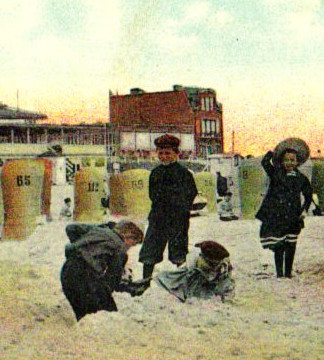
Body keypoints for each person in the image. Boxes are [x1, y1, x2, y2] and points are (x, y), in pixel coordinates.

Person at [138, 134, 199, 281]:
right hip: (158, 218)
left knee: (179, 250)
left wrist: (179, 209)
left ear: (176, 153)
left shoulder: (184, 174)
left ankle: (182, 282)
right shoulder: (155, 173)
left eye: (167, 153)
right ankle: (145, 281)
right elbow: (152, 195)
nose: (164, 156)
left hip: (178, 219)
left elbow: (191, 194)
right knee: (150, 250)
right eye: (160, 153)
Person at [60, 220, 147, 321]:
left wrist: (83, 245)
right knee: (107, 316)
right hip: (84, 277)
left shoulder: (100, 230)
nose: (130, 248)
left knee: (84, 315)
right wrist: (127, 287)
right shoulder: (120, 248)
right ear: (129, 236)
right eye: (133, 244)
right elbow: (111, 281)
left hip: (66, 271)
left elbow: (71, 228)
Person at [256, 140, 313, 278]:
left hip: (293, 216)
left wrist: (304, 210)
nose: (289, 163)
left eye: (292, 160)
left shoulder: (301, 178)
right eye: (286, 160)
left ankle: (288, 273)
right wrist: (273, 153)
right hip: (277, 216)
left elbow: (308, 195)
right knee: (279, 245)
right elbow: (265, 163)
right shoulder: (276, 174)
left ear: (297, 162)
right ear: (281, 162)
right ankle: (279, 274)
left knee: (291, 245)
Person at [155, 240, 235, 302]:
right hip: (196, 278)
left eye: (215, 263)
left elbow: (226, 283)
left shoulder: (224, 266)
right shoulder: (197, 260)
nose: (214, 265)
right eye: (211, 263)